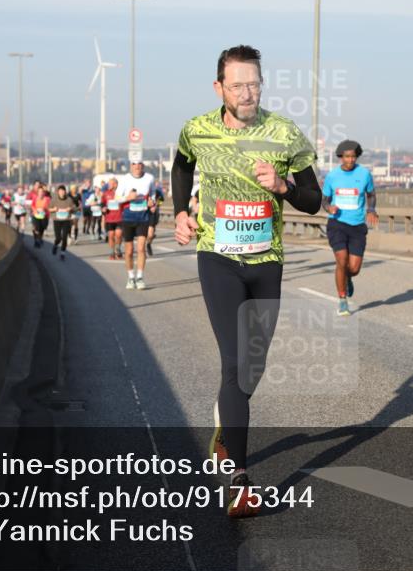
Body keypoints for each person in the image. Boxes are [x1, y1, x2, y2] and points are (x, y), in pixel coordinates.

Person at [172, 45, 321, 517]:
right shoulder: (197, 130)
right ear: (219, 88)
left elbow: (314, 201)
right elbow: (181, 166)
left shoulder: (283, 133)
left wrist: (283, 188)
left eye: (254, 83)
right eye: (237, 85)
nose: (247, 92)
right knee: (235, 360)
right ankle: (236, 479)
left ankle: (224, 431)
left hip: (266, 262)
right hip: (217, 257)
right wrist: (179, 212)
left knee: (250, 368)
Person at [321, 139, 377, 316]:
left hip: (357, 226)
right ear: (340, 157)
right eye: (347, 157)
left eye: (353, 157)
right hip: (337, 223)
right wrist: (329, 208)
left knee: (354, 268)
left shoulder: (365, 174)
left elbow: (371, 194)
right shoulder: (332, 176)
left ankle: (348, 278)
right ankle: (343, 299)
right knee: (341, 260)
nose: (350, 160)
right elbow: (324, 199)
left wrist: (372, 209)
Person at [116, 159, 156, 289]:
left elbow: (153, 194)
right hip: (128, 218)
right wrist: (128, 198)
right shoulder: (125, 179)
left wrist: (152, 203)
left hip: (143, 218)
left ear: (143, 165)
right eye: (134, 164)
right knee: (128, 251)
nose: (137, 166)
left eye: (139, 164)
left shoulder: (149, 178)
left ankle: (139, 277)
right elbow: (117, 198)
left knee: (141, 249)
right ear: (131, 166)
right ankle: (130, 277)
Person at [51, 184, 77, 260]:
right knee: (58, 238)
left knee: (65, 237)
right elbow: (49, 209)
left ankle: (63, 253)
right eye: (60, 191)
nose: (62, 192)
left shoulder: (69, 200)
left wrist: (70, 209)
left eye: (63, 191)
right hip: (57, 220)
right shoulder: (54, 200)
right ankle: (55, 245)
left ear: (65, 192)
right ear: (58, 192)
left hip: (66, 220)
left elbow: (74, 208)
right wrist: (54, 209)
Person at [101, 177, 123, 259]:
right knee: (111, 235)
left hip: (120, 218)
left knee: (118, 234)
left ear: (115, 184)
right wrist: (103, 208)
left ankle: (118, 248)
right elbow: (102, 203)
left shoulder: (121, 193)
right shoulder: (106, 193)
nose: (108, 185)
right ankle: (112, 252)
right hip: (109, 218)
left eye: (110, 183)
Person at [146, 180, 166, 256]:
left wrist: (156, 206)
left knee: (150, 234)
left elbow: (161, 200)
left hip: (152, 214)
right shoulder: (143, 190)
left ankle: (148, 244)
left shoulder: (157, 191)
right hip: (142, 213)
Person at [30, 184, 51, 249]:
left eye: (42, 192)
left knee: (42, 228)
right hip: (36, 215)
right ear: (38, 193)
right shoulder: (35, 198)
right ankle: (36, 241)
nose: (41, 193)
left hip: (44, 216)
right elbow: (32, 205)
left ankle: (39, 238)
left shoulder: (47, 199)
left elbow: (50, 206)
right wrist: (35, 210)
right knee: (36, 228)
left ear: (44, 193)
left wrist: (44, 209)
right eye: (39, 192)